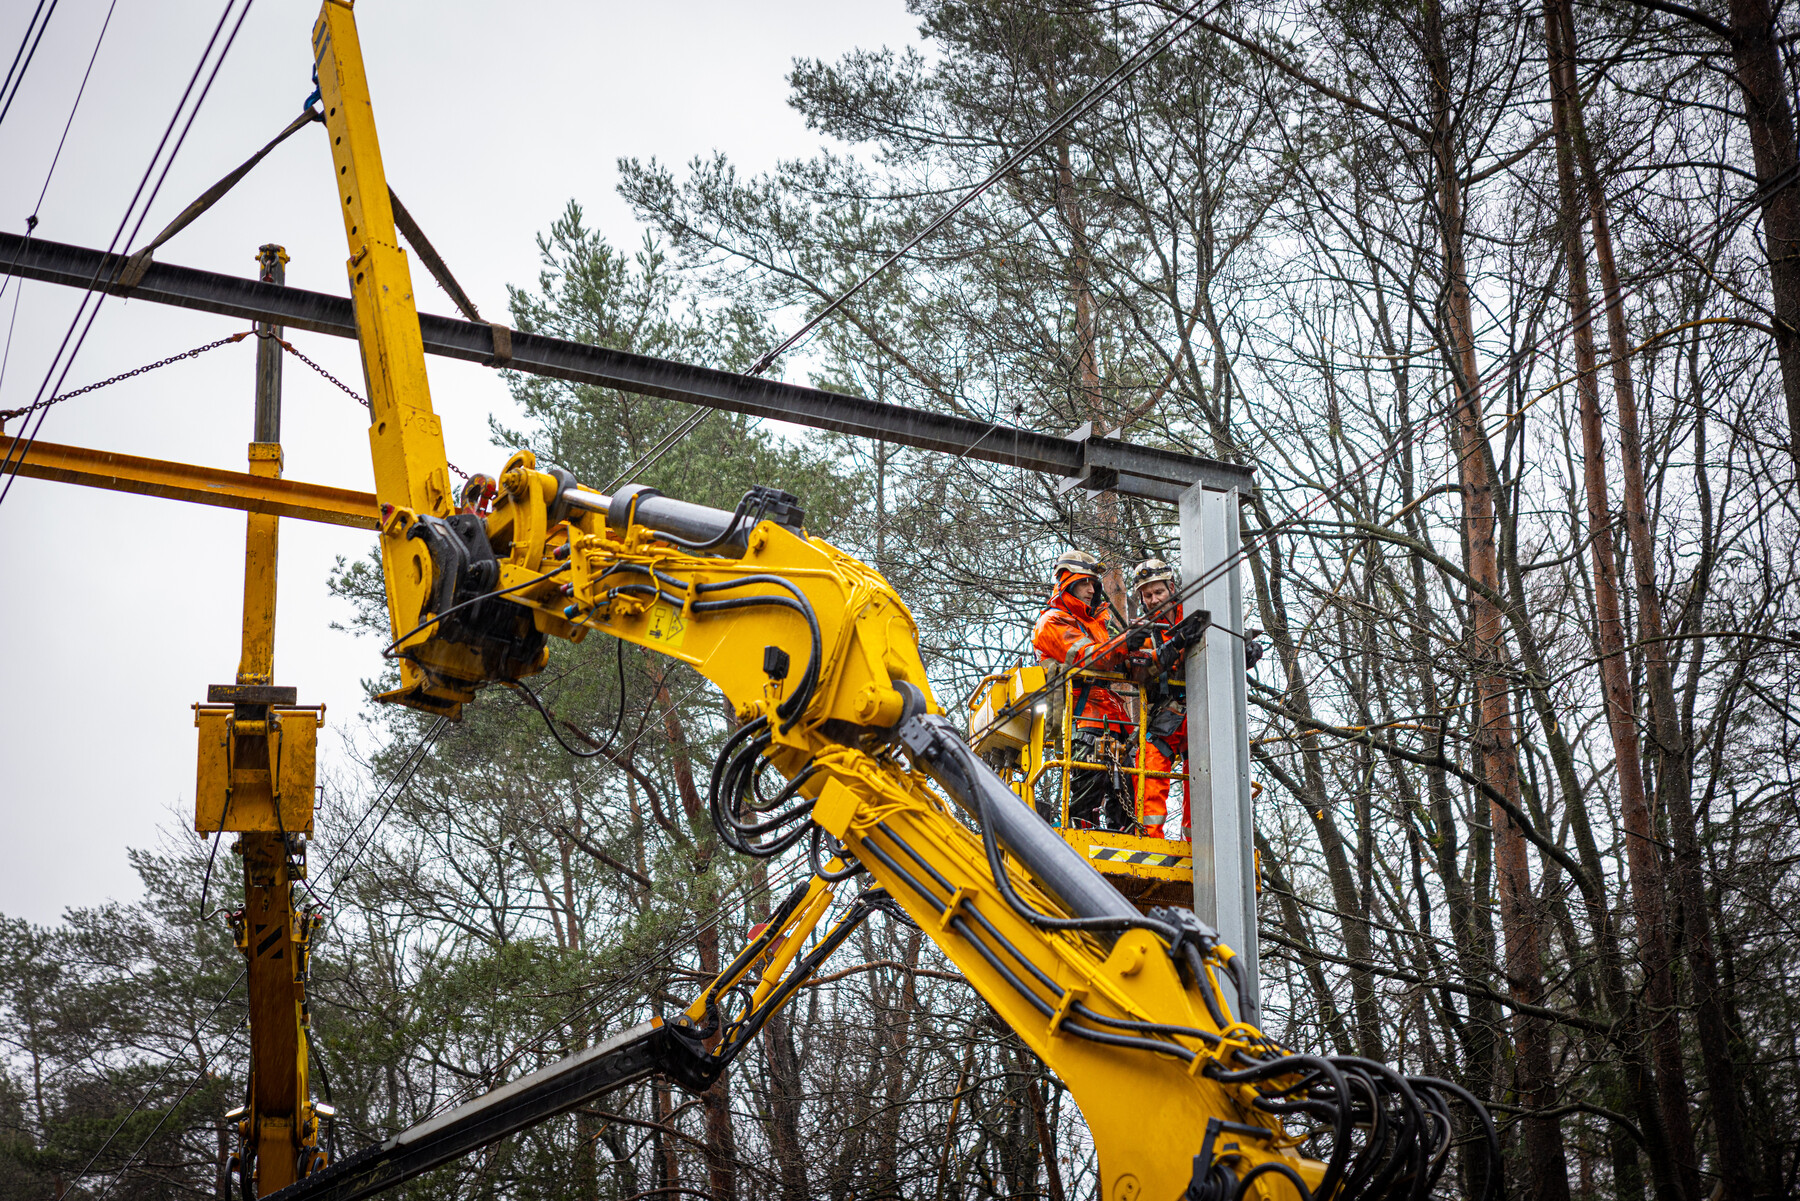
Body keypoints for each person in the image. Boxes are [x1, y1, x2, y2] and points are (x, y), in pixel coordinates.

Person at [1031, 550, 1135, 830]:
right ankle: (1077, 832)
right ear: (1067, 583)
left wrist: (1154, 645)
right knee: (1089, 786)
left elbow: (1126, 661)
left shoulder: (1098, 624)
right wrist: (1127, 642)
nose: (1092, 589)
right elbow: (1092, 657)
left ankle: (1122, 838)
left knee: (1129, 788)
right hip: (1080, 716)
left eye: (1094, 583)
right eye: (1085, 582)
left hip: (1113, 716)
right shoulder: (1052, 622)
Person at [1131, 558, 1204, 840]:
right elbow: (1139, 670)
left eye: (1158, 592)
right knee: (1148, 763)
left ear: (1171, 588)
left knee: (1203, 774)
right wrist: (1173, 646)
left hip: (1202, 711)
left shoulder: (1198, 616)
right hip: (1167, 716)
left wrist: (1245, 652)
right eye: (1147, 595)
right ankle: (1150, 840)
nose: (1153, 599)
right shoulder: (1144, 632)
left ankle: (1197, 840)